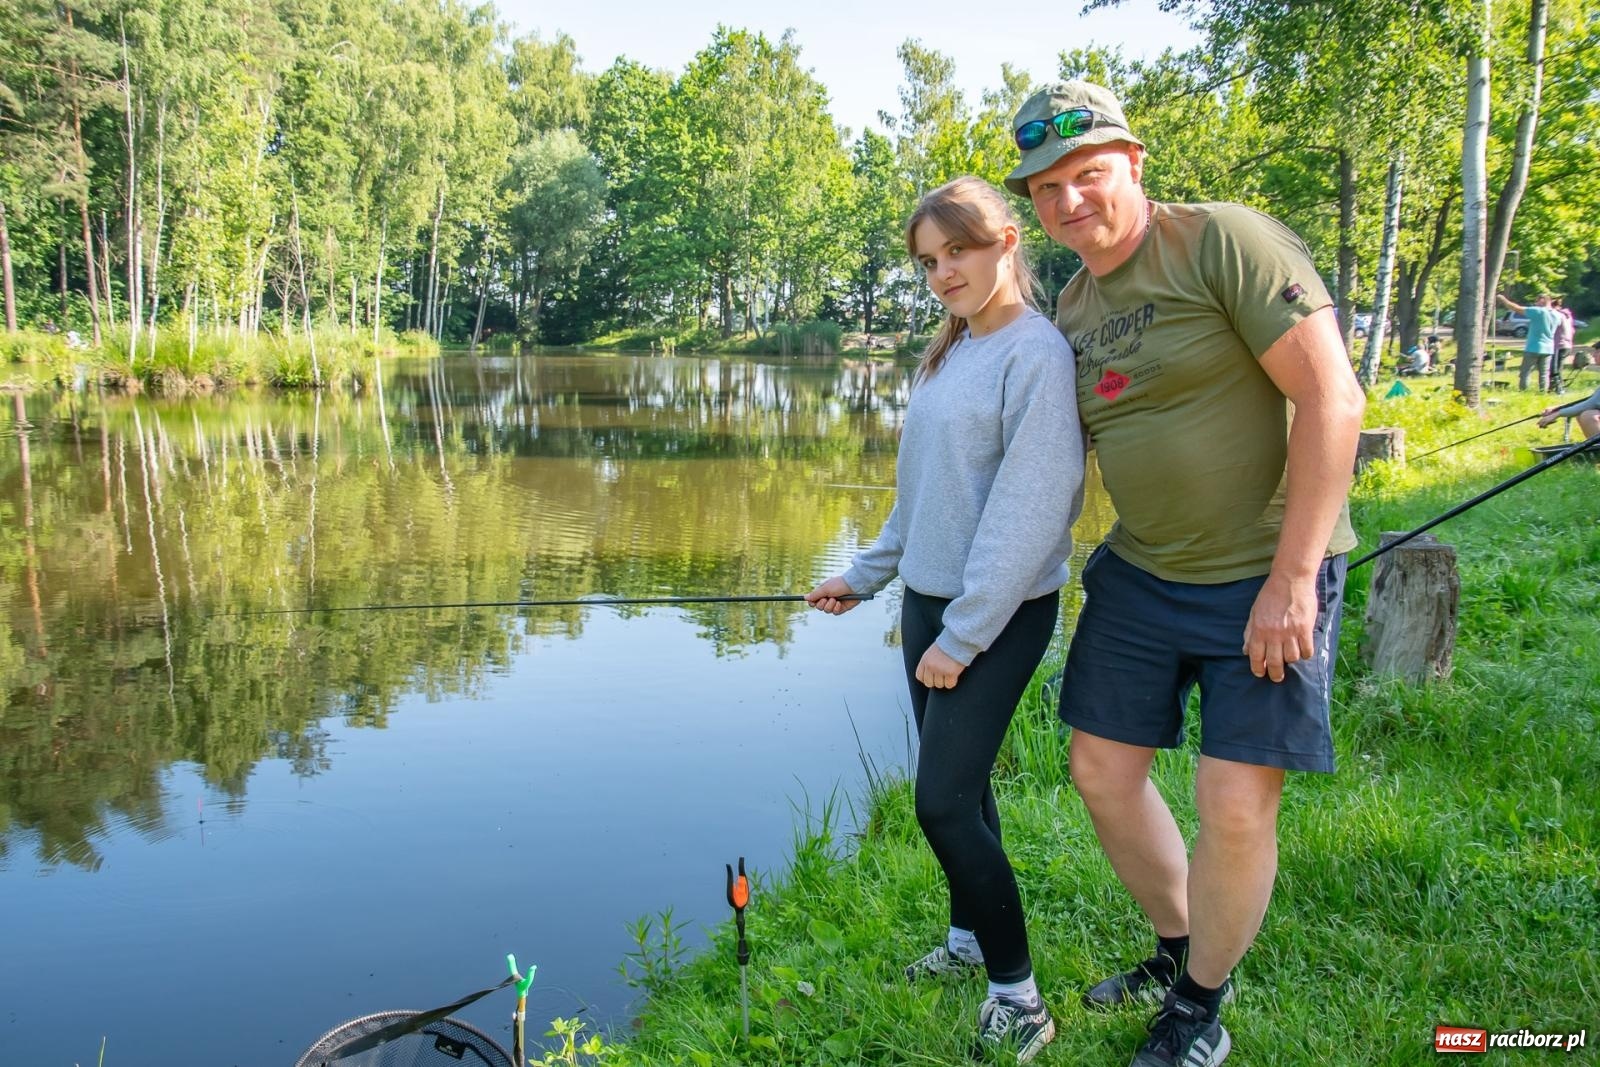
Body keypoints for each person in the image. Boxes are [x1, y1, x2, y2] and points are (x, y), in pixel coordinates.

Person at [1004, 81, 1365, 1067]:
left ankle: (1200, 1005)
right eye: (1046, 188)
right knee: (1099, 770)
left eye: (1089, 175)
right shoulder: (1072, 302)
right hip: (1144, 571)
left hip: (1264, 571)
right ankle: (1179, 947)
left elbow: (1333, 397)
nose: (1069, 200)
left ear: (1134, 163)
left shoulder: (1223, 241)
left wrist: (1294, 579)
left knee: (1234, 802)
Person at [807, 176, 1084, 1063]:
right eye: (929, 261)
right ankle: (969, 941)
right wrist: (862, 576)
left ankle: (1021, 997)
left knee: (941, 804)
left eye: (956, 251)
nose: (942, 273)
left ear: (1007, 239)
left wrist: (962, 639)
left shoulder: (1035, 356)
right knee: (969, 789)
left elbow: (1026, 516)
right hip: (930, 602)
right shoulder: (952, 350)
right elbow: (920, 499)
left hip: (995, 615)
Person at [1495, 292, 1564, 391]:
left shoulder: (1538, 311)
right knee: (1544, 373)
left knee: (1525, 372)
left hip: (1533, 347)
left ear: (1542, 300)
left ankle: (1524, 391)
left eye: (1537, 301)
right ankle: (1542, 392)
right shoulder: (1558, 315)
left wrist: (1503, 299)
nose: (1535, 304)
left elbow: (1516, 308)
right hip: (1548, 348)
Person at [1549, 296, 1575, 393]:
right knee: (1558, 367)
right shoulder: (1567, 315)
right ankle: (1554, 388)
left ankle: (1559, 389)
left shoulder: (1557, 314)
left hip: (1559, 344)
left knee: (1555, 369)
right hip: (1567, 344)